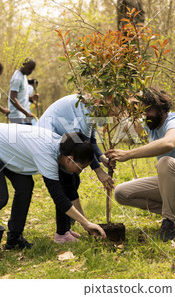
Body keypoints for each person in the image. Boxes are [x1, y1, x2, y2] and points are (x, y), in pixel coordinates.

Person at [0, 123, 106, 250]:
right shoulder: (46, 154)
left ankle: (14, 239)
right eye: (81, 168)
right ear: (70, 160)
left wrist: (85, 223)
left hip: (7, 151)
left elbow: (69, 193)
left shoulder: (63, 148)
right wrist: (85, 223)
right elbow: (59, 198)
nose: (81, 172)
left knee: (25, 187)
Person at [105, 87, 175, 242]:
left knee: (165, 163)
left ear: (161, 108)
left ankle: (171, 225)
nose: (144, 116)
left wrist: (128, 154)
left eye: (147, 111)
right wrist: (121, 104)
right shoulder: (151, 125)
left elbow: (169, 143)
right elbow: (126, 126)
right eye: (141, 112)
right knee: (122, 193)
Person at [37, 94, 114, 243]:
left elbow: (89, 141)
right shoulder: (87, 111)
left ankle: (66, 228)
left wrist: (102, 158)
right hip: (49, 142)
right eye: (111, 112)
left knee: (74, 181)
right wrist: (99, 171)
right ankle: (61, 234)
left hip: (63, 141)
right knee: (67, 183)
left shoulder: (90, 111)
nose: (111, 117)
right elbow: (82, 146)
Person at [8, 59, 37, 124]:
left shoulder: (23, 76)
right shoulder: (17, 78)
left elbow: (21, 95)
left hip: (22, 114)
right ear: (23, 64)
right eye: (29, 68)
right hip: (16, 116)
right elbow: (12, 98)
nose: (30, 71)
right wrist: (26, 113)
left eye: (32, 69)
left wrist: (31, 97)